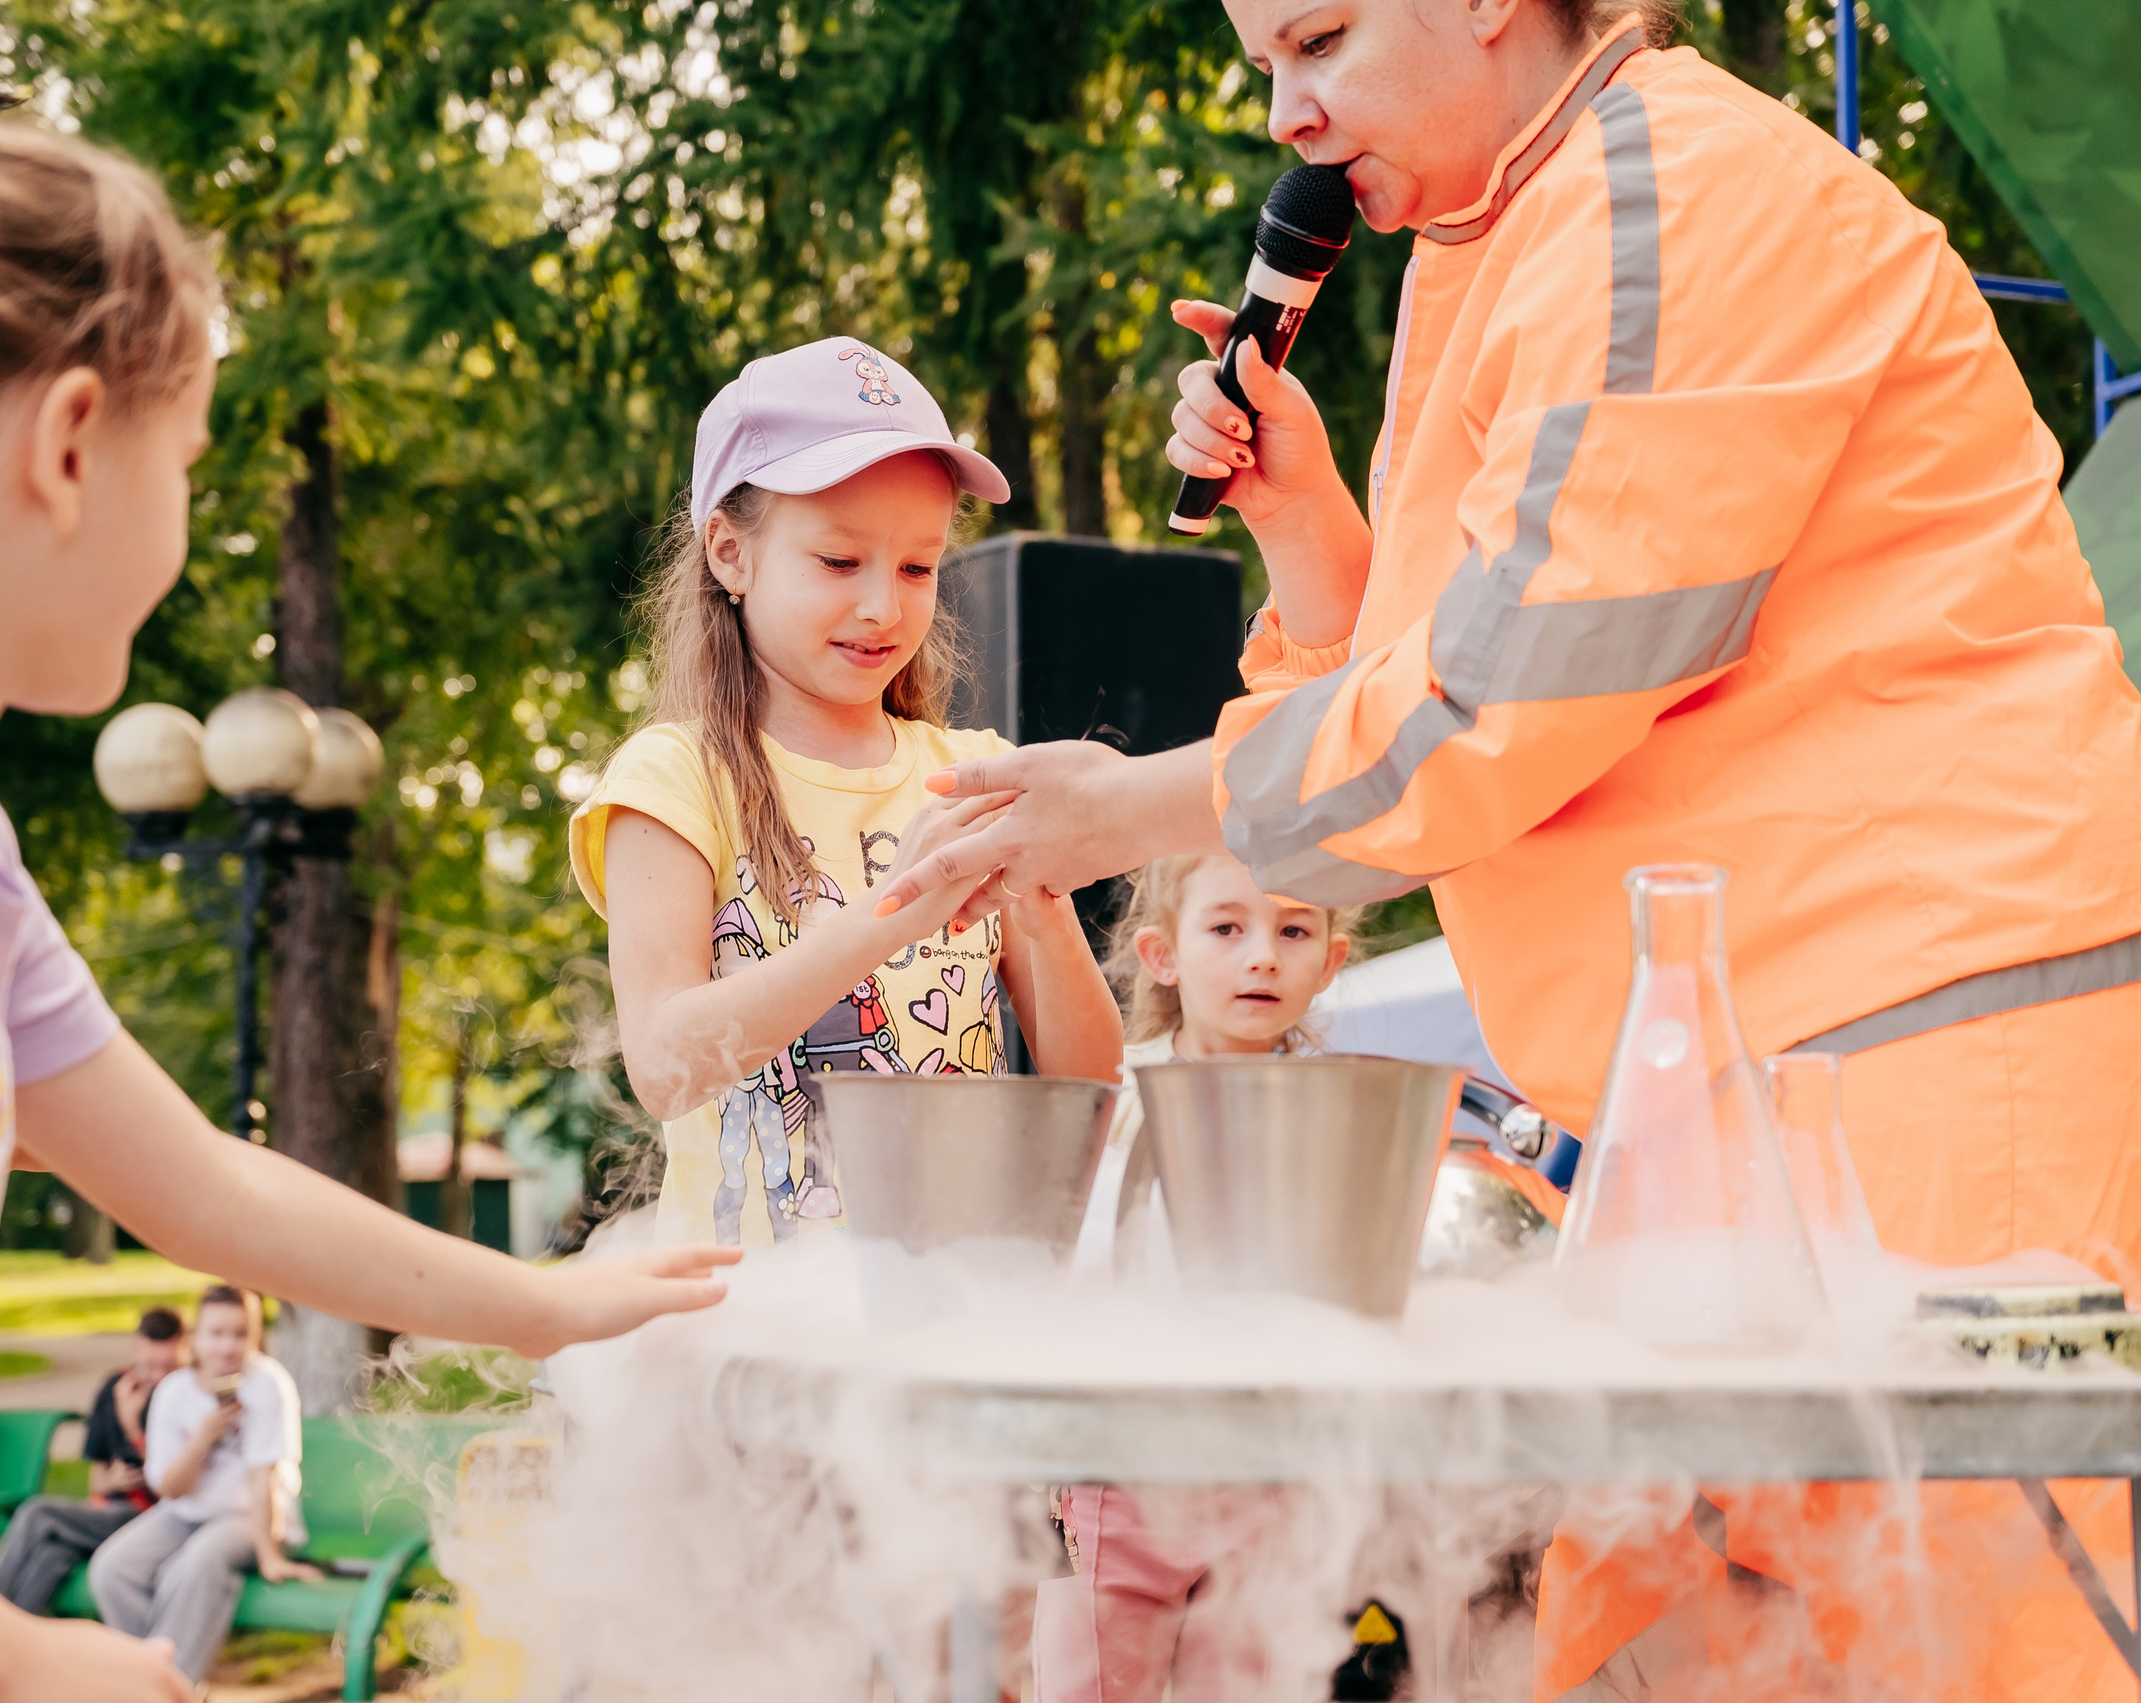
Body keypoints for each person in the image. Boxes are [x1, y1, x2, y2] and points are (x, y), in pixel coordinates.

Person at [873, 0, 2141, 1695]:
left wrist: (1122, 804)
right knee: (1668, 1650)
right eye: (1265, 61)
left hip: (1924, 1069)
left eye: (1315, 39)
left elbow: (1513, 693)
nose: (1287, 115)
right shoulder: (1505, 241)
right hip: (1722, 1103)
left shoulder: (1665, 192)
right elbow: (1407, 725)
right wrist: (1305, 516)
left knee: (1965, 1647)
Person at [0, 70, 737, 1703]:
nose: (185, 522)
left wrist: (542, 1305)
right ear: (68, 444)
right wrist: (3, 1659)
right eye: (184, 460)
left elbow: (200, 1182)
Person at [572, 337, 1124, 1249]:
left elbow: (1089, 1083)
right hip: (755, 1322)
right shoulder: (673, 779)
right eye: (838, 562)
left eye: (917, 567)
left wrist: (1040, 899)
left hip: (952, 1293)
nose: (883, 606)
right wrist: (891, 912)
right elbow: (668, 1069)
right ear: (730, 553)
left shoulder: (972, 768)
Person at [1039, 855, 1359, 1701]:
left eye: (1294, 930)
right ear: (1161, 955)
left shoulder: (1340, 1108)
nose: (1263, 955)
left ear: (1330, 961)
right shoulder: (1114, 1088)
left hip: (1276, 1475)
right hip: (1120, 1471)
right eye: (1227, 928)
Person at [87, 1289, 307, 1683]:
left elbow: (264, 1480)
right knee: (112, 1568)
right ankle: (151, 1681)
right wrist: (204, 1438)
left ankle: (172, 1686)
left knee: (194, 1563)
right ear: (196, 1337)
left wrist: (269, 1554)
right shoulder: (174, 1391)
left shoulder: (268, 1383)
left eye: (241, 1334)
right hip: (184, 1514)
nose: (228, 1345)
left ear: (255, 1337)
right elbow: (169, 1489)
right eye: (217, 1333)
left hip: (250, 1518)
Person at [0, 1307, 189, 1615]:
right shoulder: (115, 1389)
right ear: (137, 1347)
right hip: (106, 1514)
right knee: (52, 1556)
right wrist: (115, 1480)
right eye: (151, 1366)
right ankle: (1, 1642)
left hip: (153, 1519)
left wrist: (133, 1427)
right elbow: (96, 1481)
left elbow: (175, 1492)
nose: (158, 1377)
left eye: (168, 1366)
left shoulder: (186, 1396)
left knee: (39, 1514)